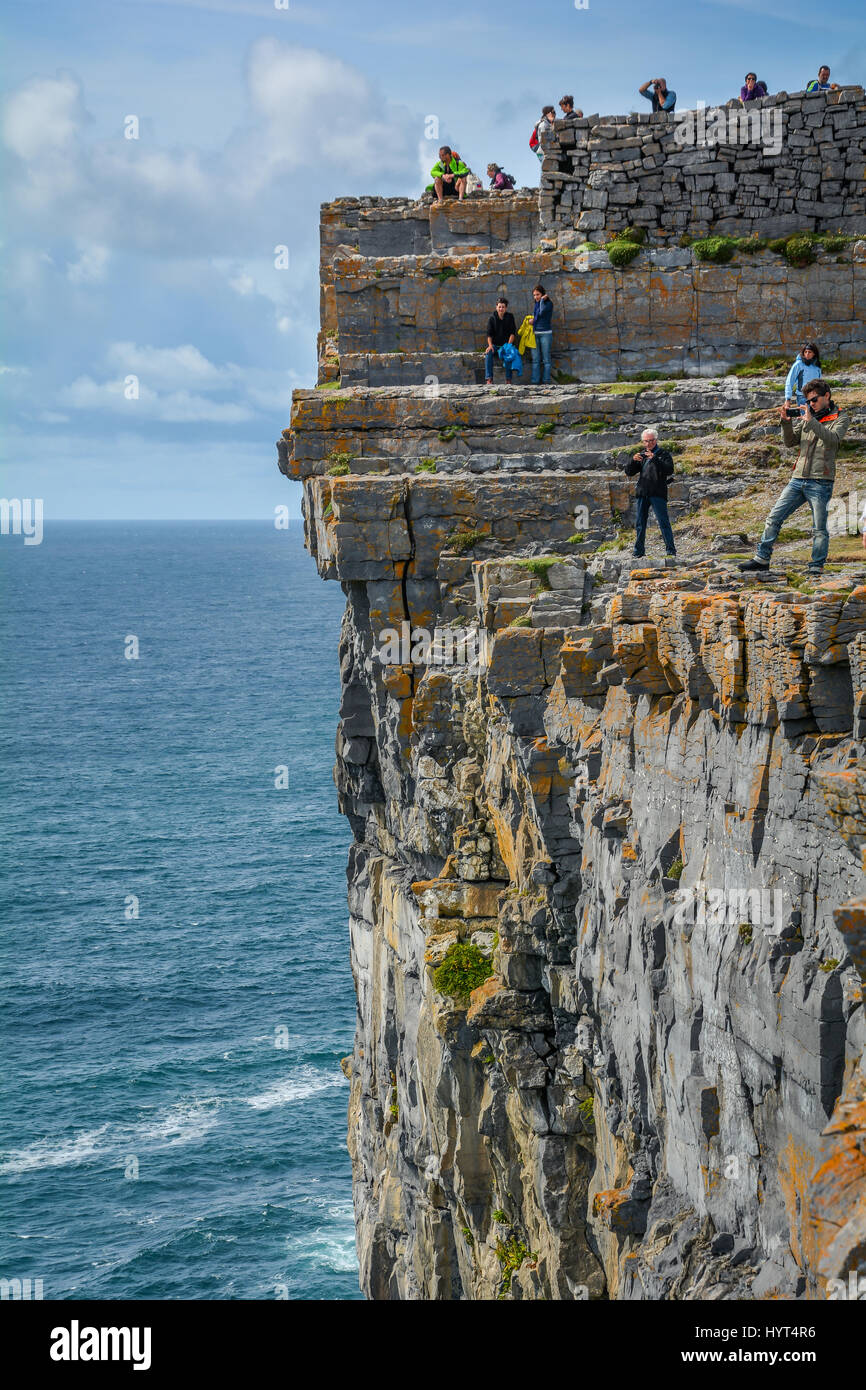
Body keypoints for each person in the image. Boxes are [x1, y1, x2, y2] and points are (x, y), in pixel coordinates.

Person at [740, 380, 849, 576]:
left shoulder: (841, 417)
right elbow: (789, 442)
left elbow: (833, 440)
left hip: (821, 480)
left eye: (814, 399)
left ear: (827, 396)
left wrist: (811, 421)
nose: (811, 404)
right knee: (774, 517)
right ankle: (762, 559)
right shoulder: (807, 416)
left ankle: (816, 566)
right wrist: (785, 422)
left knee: (819, 528)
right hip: (797, 478)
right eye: (808, 401)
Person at [624, 430, 677, 559]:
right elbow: (629, 472)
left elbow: (669, 470)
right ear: (643, 442)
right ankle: (638, 551)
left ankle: (671, 551)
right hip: (642, 493)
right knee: (640, 523)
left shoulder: (663, 454)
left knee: (663, 522)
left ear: (656, 440)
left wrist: (655, 459)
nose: (649, 443)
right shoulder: (641, 456)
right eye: (647, 441)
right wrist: (632, 460)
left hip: (658, 493)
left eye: (652, 440)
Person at [485, 297, 518, 386]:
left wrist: (508, 345)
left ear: (506, 308)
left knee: (508, 353)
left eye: (503, 307)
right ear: (496, 307)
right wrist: (490, 345)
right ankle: (489, 379)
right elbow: (489, 334)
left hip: (505, 345)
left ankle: (508, 379)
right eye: (499, 307)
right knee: (488, 353)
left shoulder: (510, 317)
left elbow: (512, 333)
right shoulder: (492, 318)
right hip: (495, 345)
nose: (501, 309)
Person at [784, 342, 821, 407]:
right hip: (802, 397)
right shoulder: (798, 365)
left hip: (816, 397)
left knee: (815, 417)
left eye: (809, 352)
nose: (807, 354)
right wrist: (787, 399)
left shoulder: (817, 366)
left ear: (814, 353)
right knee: (805, 416)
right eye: (805, 352)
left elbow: (820, 382)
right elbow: (789, 381)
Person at [530, 285, 554, 384]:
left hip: (546, 334)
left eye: (538, 294)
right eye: (534, 295)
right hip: (535, 334)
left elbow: (542, 312)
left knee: (546, 360)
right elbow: (537, 316)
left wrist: (542, 301)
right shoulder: (537, 304)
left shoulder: (548, 304)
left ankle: (546, 381)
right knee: (535, 360)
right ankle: (535, 382)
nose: (536, 297)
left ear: (543, 294)